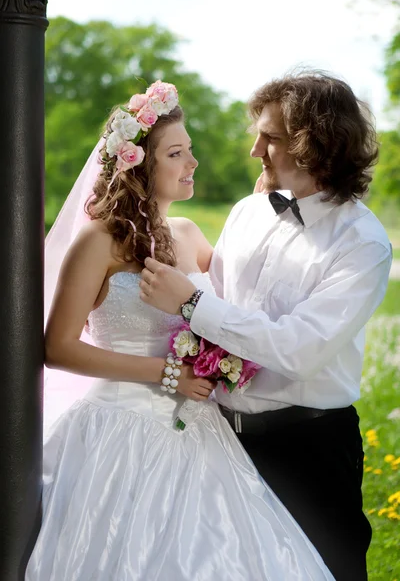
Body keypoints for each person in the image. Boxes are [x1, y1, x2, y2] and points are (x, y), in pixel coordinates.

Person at [26, 80, 333, 580]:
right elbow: (58, 348)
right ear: (140, 164)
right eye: (176, 153)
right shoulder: (98, 242)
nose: (192, 163)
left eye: (189, 150)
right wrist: (168, 373)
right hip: (117, 429)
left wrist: (265, 213)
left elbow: (244, 296)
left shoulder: (189, 234)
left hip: (198, 427)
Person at [140, 71, 393, 581]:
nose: (256, 149)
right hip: (221, 440)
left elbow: (300, 349)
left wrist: (192, 302)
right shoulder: (247, 211)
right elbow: (226, 309)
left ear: (317, 144)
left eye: (271, 137)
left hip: (310, 450)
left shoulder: (362, 242)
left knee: (331, 570)